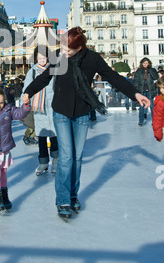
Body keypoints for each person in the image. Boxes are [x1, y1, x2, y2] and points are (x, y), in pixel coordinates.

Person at [22, 27, 150, 221]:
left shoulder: (92, 59)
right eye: (62, 48)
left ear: (80, 47)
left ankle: (73, 195)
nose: (63, 53)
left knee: (77, 157)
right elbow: (45, 77)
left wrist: (135, 94)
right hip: (61, 112)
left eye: (68, 50)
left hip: (82, 113)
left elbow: (113, 77)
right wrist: (28, 92)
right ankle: (63, 200)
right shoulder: (58, 57)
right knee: (66, 157)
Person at [23, 46, 58, 176]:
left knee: (54, 135)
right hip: (39, 107)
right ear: (36, 58)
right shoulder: (32, 72)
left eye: (44, 57)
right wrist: (23, 106)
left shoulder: (54, 70)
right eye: (39, 57)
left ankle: (55, 159)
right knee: (42, 136)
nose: (42, 59)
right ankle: (43, 162)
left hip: (53, 106)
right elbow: (26, 90)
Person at [133, 57, 159, 126]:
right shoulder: (139, 71)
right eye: (144, 63)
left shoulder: (152, 70)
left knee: (152, 106)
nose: (145, 64)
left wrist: (150, 70)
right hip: (142, 91)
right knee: (141, 107)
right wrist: (136, 91)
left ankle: (154, 121)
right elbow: (135, 81)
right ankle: (141, 121)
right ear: (142, 63)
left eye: (146, 63)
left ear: (149, 63)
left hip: (150, 90)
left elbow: (156, 77)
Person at [152, 76, 164, 142]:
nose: (161, 90)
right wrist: (158, 134)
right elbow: (157, 118)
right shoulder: (160, 101)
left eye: (163, 88)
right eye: (160, 88)